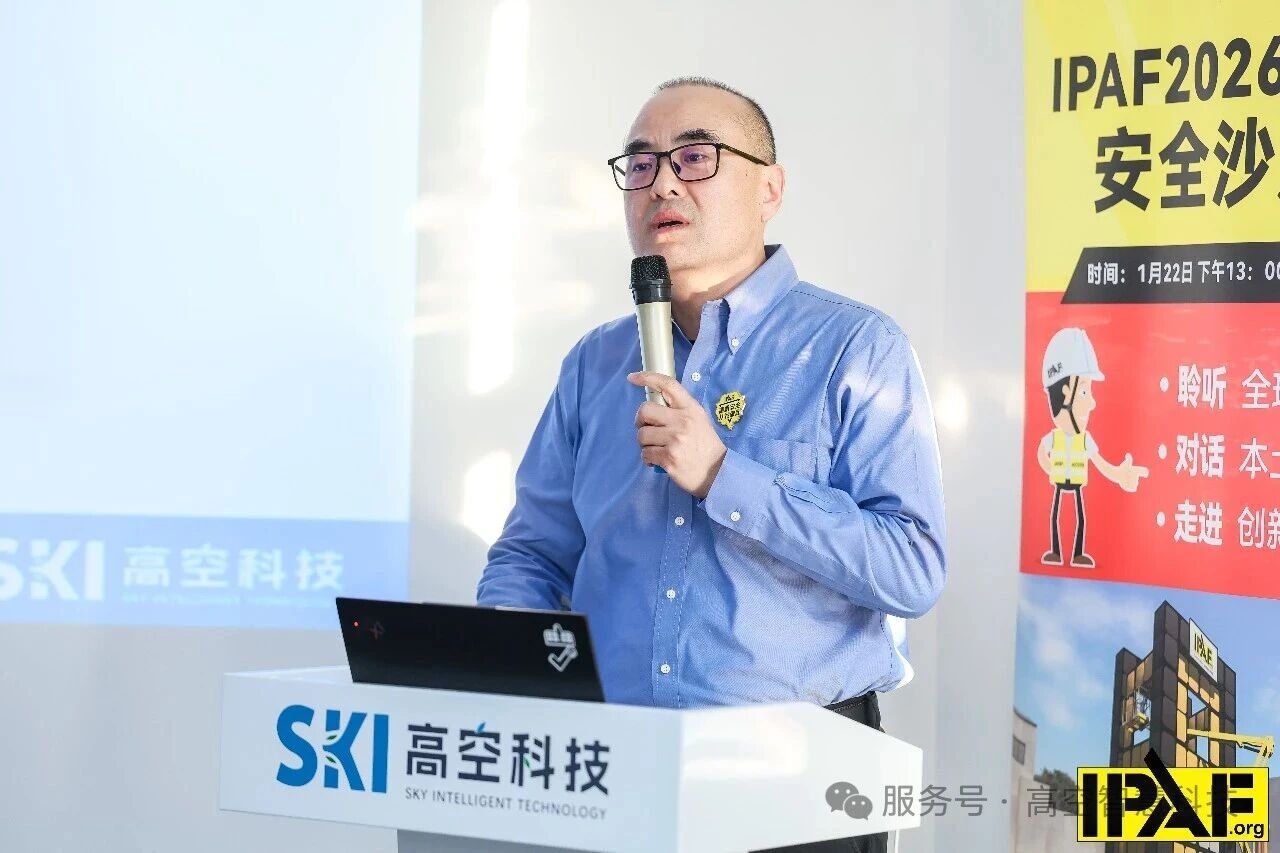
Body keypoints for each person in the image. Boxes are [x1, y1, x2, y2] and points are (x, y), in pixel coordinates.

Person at [476, 77, 947, 853]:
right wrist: (511, 659)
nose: (661, 183)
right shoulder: (596, 364)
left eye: (695, 157)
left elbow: (912, 568)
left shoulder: (855, 349)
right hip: (612, 773)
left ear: (770, 189)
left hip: (802, 779)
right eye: (640, 164)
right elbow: (532, 554)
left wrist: (726, 476)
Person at [1037, 327, 1147, 568]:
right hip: (1060, 482)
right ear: (1066, 393)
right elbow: (1041, 455)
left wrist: (1119, 475)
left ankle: (1077, 553)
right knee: (1056, 515)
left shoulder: (1084, 440)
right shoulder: (1053, 438)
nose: (1092, 402)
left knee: (1079, 516)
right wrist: (1053, 470)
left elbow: (1101, 464)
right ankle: (1056, 551)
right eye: (1085, 390)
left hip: (1076, 484)